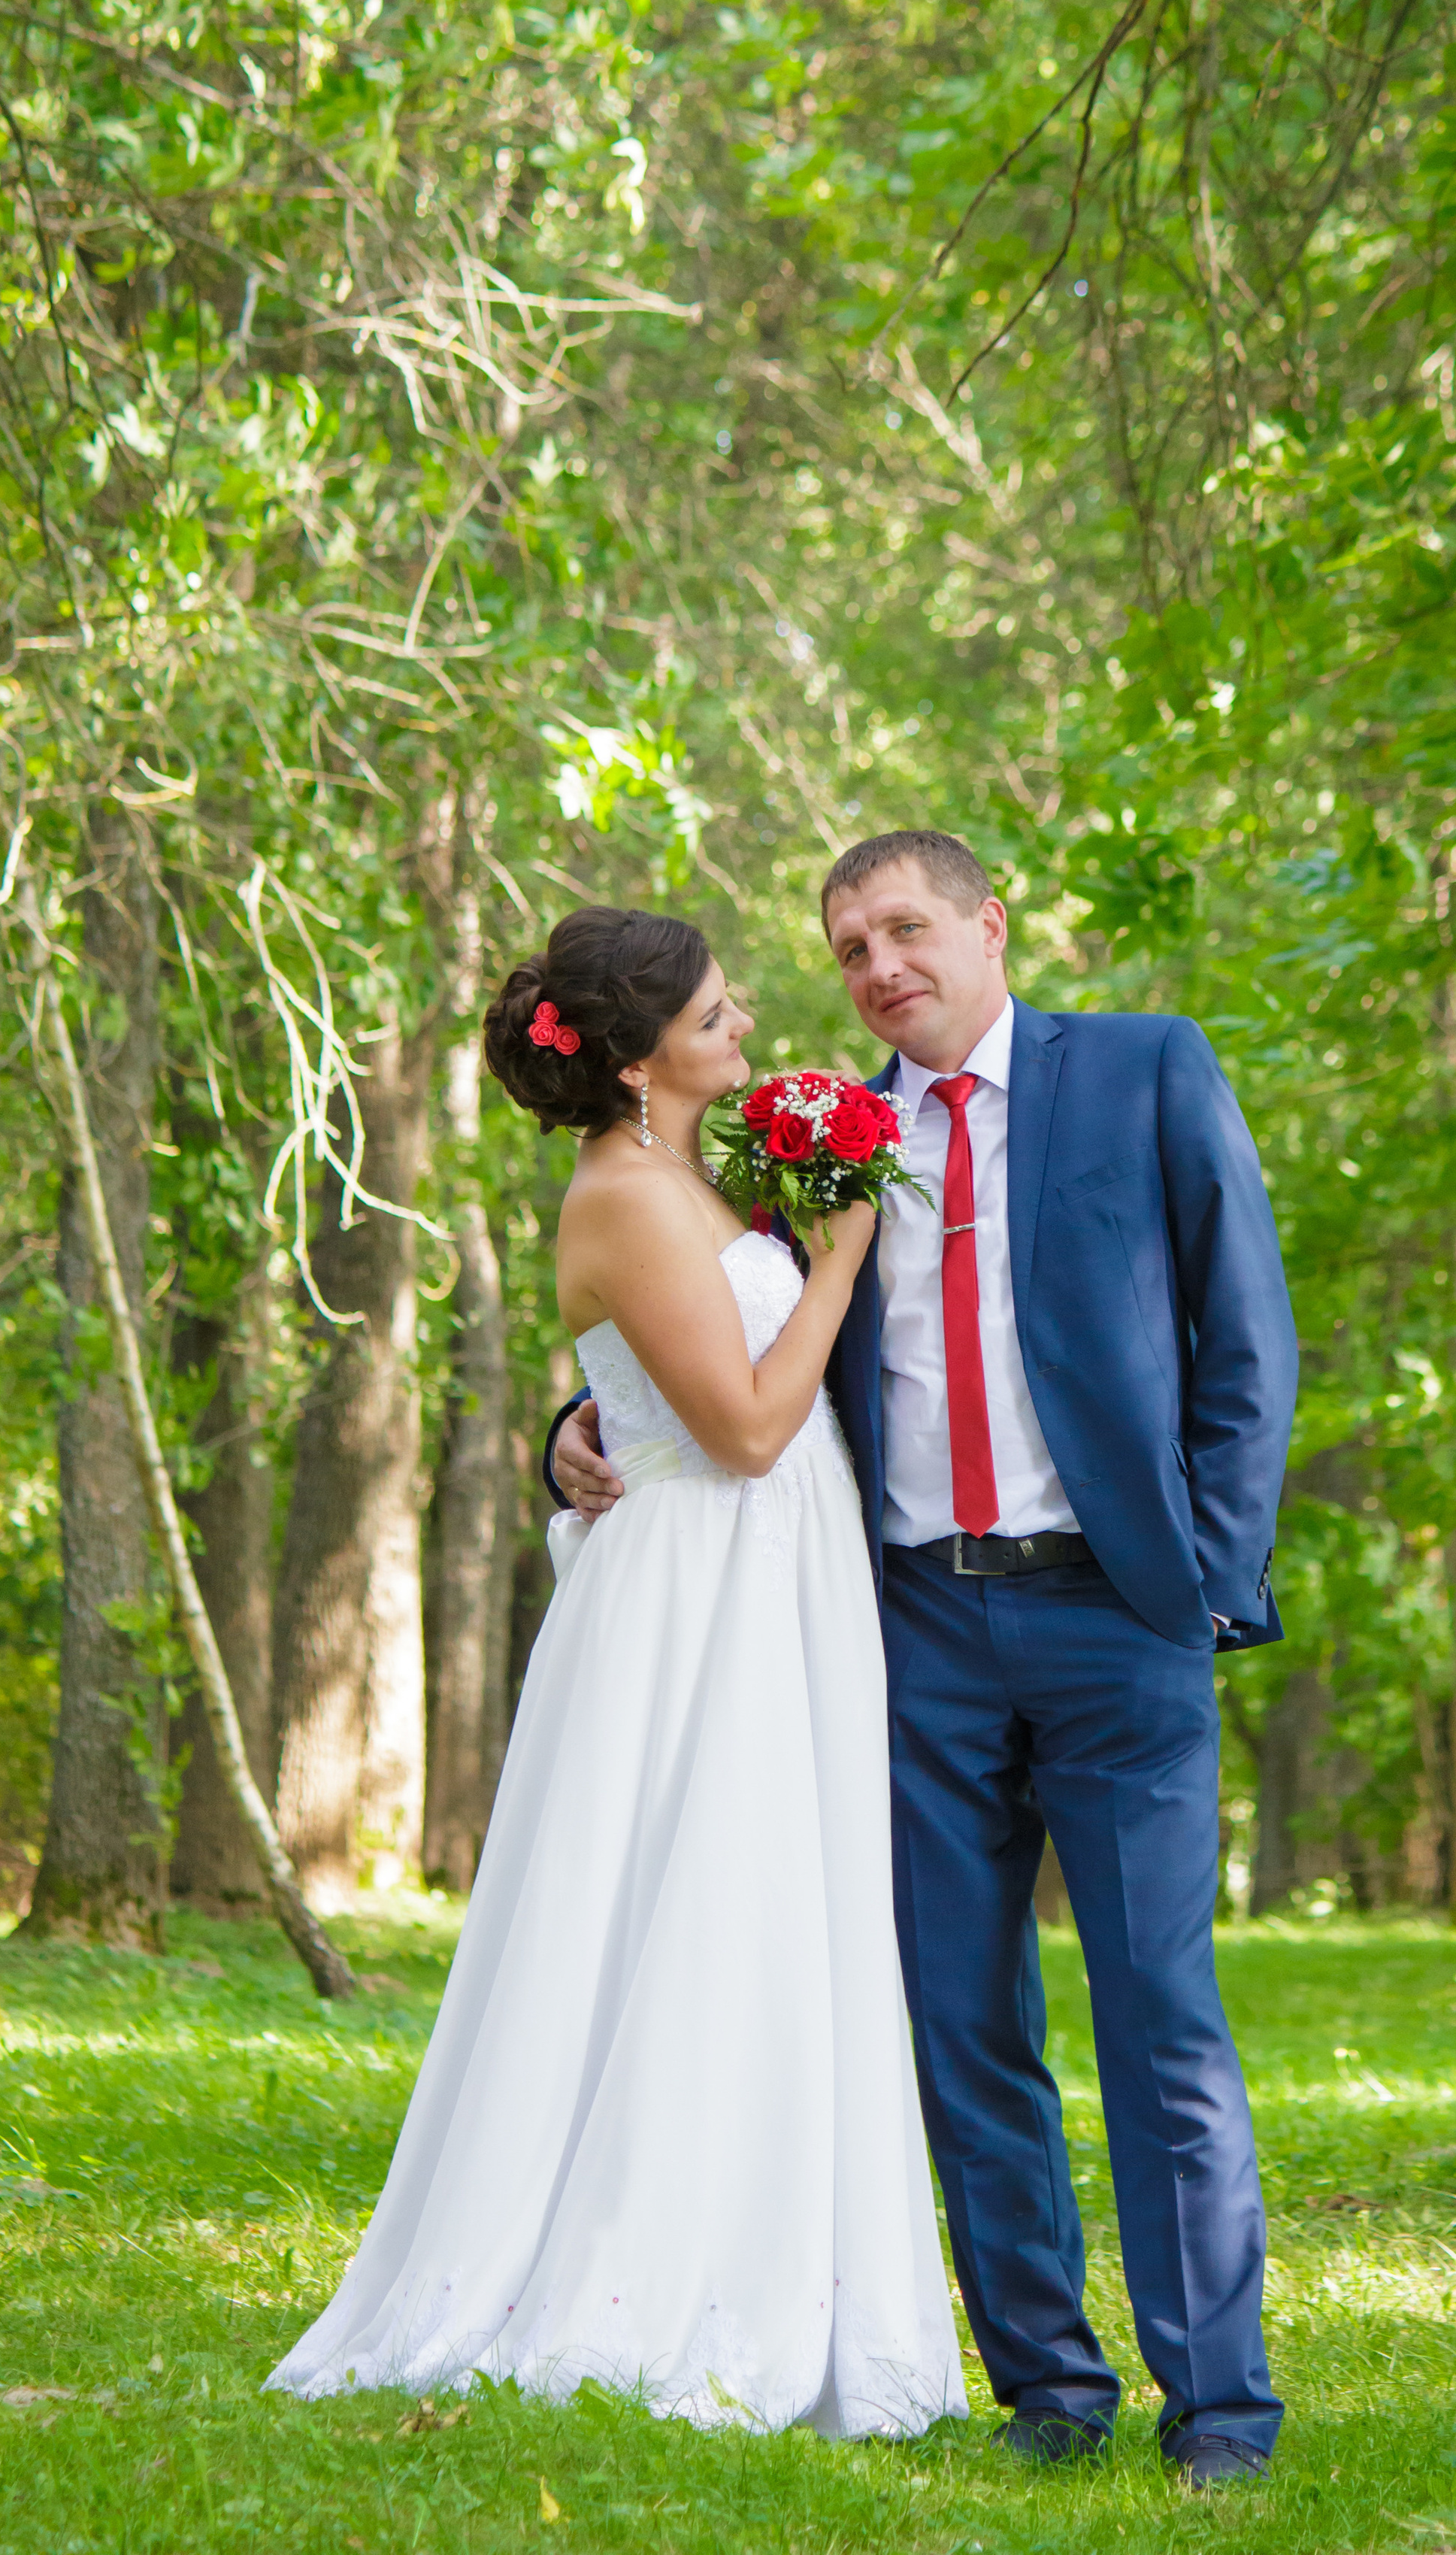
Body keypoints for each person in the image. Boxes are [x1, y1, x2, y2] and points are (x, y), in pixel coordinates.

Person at [551, 833, 1299, 2490]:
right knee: (962, 2023)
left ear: (985, 923)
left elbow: (1242, 1323)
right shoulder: (808, 1140)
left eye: (904, 929)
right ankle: (1046, 2384)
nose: (880, 965)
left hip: (1117, 1617)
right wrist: (572, 1431)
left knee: (1158, 2013)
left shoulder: (1139, 1070)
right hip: (910, 1632)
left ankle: (1221, 2412)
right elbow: (701, 1327)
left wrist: (1212, 1578)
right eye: (848, 947)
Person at [268, 905, 964, 2441]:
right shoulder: (627, 1197)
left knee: (765, 1895)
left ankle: (777, 2244)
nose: (744, 1024)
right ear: (641, 1052)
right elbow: (741, 1428)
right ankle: (657, 2271)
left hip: (768, 1573)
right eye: (714, 1014)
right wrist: (839, 1260)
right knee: (695, 1895)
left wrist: (580, 1424)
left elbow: (653, 1379)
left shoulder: (684, 1176)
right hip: (702, 1588)